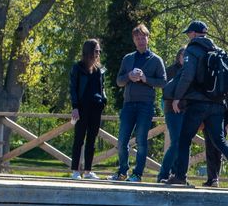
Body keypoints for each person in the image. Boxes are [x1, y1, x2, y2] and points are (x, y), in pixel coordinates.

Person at [166, 20, 228, 189]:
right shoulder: (219, 50)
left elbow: (187, 75)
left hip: (197, 103)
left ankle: (180, 176)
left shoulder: (192, 50)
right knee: (219, 140)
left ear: (194, 34)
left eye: (189, 33)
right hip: (218, 104)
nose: (188, 36)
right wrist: (219, 88)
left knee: (184, 138)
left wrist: (177, 97)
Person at [111, 24, 166, 182]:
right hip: (128, 105)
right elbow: (119, 81)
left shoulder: (156, 60)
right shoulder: (128, 59)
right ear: (134, 40)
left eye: (143, 37)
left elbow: (163, 82)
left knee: (141, 141)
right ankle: (122, 172)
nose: (141, 41)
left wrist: (145, 79)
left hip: (145, 106)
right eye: (137, 38)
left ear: (148, 39)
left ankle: (137, 174)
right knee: (122, 141)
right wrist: (129, 75)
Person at [67, 38, 105, 180]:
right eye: (96, 50)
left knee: (92, 139)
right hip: (82, 108)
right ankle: (75, 171)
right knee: (79, 139)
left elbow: (103, 88)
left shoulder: (99, 69)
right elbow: (73, 89)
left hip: (96, 107)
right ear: (89, 51)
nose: (98, 53)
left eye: (99, 51)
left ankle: (88, 171)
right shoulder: (78, 67)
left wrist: (103, 101)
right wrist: (75, 107)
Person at [158, 46, 186, 183]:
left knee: (182, 143)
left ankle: (176, 174)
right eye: (182, 54)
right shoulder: (170, 71)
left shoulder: (191, 71)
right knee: (175, 142)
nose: (185, 57)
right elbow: (165, 91)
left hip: (185, 111)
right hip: (171, 110)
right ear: (178, 56)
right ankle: (163, 173)